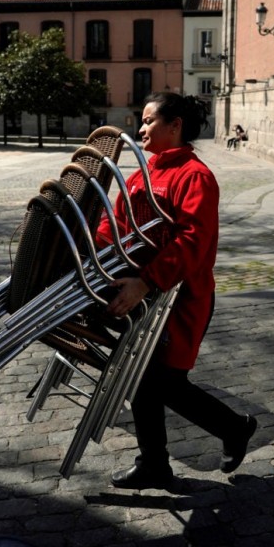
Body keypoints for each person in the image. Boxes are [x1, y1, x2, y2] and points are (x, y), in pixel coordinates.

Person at [97, 92, 257, 490]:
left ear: (175, 126)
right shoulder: (140, 176)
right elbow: (114, 226)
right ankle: (155, 463)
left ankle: (234, 429)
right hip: (146, 296)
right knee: (145, 379)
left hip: (183, 299)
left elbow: (192, 243)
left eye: (150, 121)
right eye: (142, 121)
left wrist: (146, 281)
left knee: (165, 381)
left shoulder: (195, 176)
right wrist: (95, 256)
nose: (141, 129)